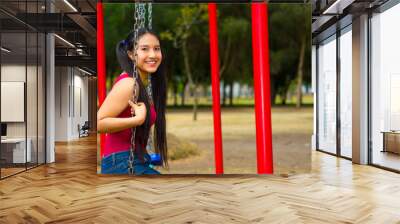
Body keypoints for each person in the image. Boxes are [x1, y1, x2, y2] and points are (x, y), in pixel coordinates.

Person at [97, 28, 168, 175]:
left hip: (133, 159)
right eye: (144, 49)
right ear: (130, 54)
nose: (153, 55)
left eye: (156, 49)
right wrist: (137, 120)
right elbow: (98, 123)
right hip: (120, 162)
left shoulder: (143, 84)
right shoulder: (130, 84)